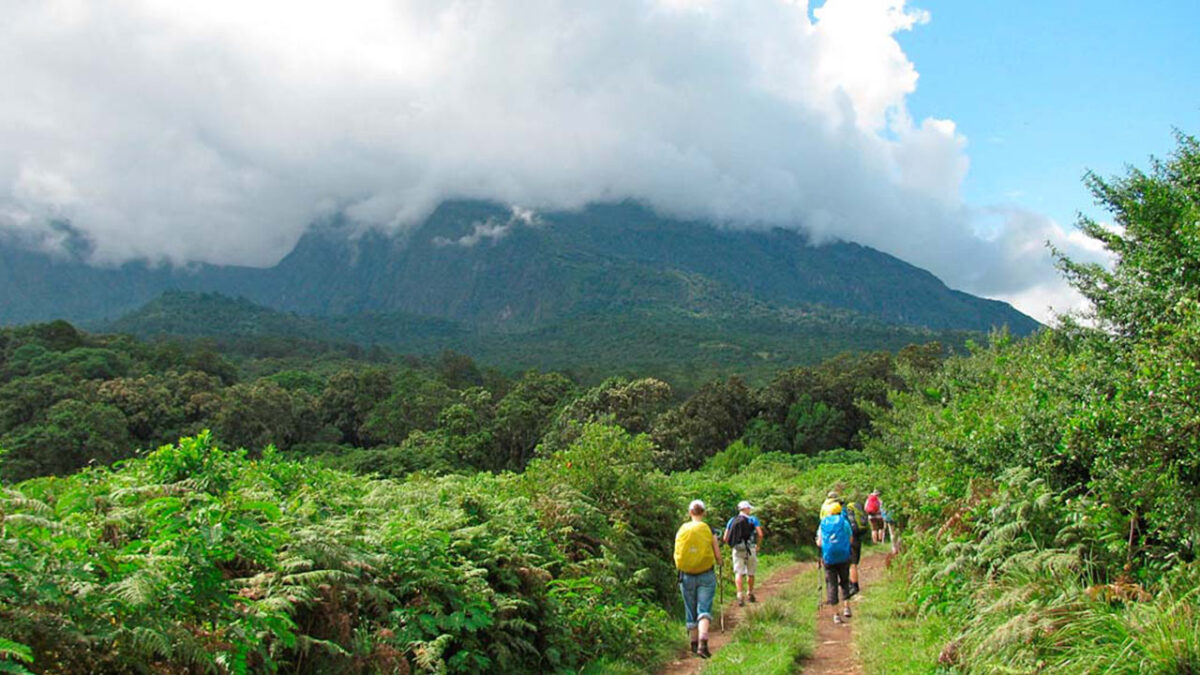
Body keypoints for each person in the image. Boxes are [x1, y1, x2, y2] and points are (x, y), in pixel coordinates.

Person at [674, 499, 722, 659]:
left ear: (690, 513)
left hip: (686, 574)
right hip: (706, 574)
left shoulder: (682, 529)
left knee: (690, 609)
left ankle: (693, 645)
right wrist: (720, 562)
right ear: (704, 512)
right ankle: (703, 641)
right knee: (704, 608)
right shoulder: (708, 529)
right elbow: (716, 552)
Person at [817, 493, 854, 624]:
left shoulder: (823, 524)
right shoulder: (844, 522)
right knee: (844, 582)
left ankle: (835, 615)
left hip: (829, 558)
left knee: (831, 585)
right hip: (844, 557)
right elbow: (850, 539)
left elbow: (819, 543)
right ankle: (847, 608)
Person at [723, 500, 764, 606]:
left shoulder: (732, 520)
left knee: (738, 573)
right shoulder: (753, 519)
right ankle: (750, 593)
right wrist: (758, 545)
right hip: (750, 549)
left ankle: (739, 595)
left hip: (737, 550)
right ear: (745, 509)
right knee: (751, 573)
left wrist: (732, 545)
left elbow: (725, 538)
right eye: (749, 508)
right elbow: (760, 534)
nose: (750, 510)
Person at [841, 497, 868, 596]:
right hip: (857, 537)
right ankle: (853, 584)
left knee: (851, 563)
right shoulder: (852, 511)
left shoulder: (842, 513)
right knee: (854, 562)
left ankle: (854, 585)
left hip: (849, 539)